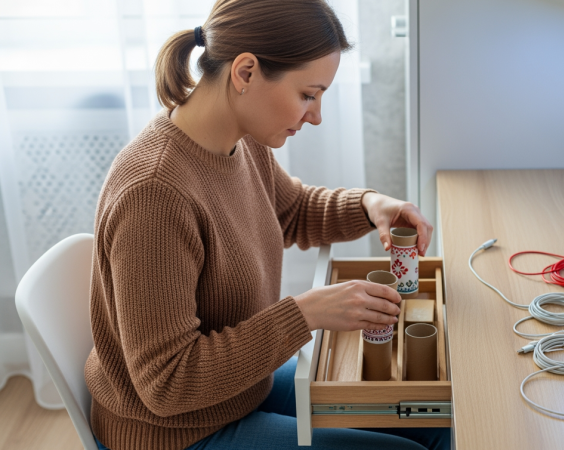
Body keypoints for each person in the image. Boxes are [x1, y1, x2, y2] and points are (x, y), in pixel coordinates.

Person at [84, 0, 447, 449]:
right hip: (174, 432)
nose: (315, 115)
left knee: (436, 417)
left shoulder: (241, 143)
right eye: (308, 94)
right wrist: (306, 313)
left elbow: (291, 210)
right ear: (246, 73)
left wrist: (370, 204)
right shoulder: (154, 195)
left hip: (238, 390)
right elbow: (167, 383)